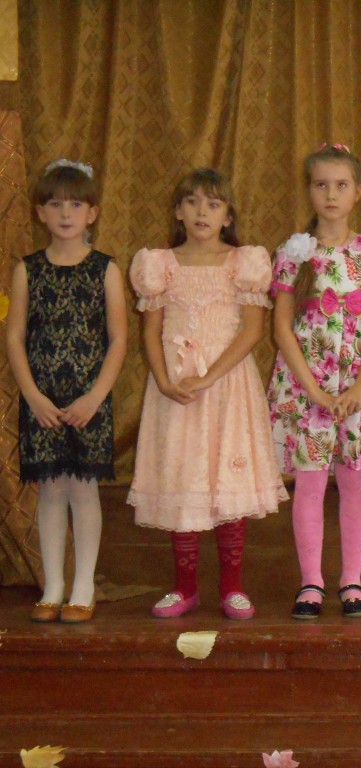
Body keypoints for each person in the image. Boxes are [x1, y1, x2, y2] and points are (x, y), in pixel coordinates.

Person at [129, 168, 286, 620]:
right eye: (193, 202)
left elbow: (252, 331)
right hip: (176, 391)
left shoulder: (243, 263)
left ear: (227, 216)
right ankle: (185, 588)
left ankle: (232, 587)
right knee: (184, 481)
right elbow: (151, 331)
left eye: (213, 204)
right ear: (178, 211)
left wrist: (210, 376)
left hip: (227, 388)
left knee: (226, 484)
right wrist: (164, 380)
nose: (202, 211)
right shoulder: (159, 265)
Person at [268, 144, 361, 620]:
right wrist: (315, 390)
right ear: (309, 191)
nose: (331, 194)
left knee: (353, 481)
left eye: (341, 185)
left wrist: (359, 387)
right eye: (321, 184)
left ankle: (352, 581)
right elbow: (282, 329)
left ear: (357, 192)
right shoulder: (293, 252)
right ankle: (311, 582)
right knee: (308, 484)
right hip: (307, 386)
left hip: (357, 387)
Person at [6, 159, 128, 623]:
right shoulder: (28, 270)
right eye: (55, 204)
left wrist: (95, 398)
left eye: (75, 205)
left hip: (88, 401)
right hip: (43, 402)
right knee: (51, 491)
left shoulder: (105, 269)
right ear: (40, 212)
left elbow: (118, 340)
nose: (65, 213)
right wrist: (33, 396)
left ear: (91, 213)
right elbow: (15, 338)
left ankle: (83, 586)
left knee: (83, 489)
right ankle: (54, 584)